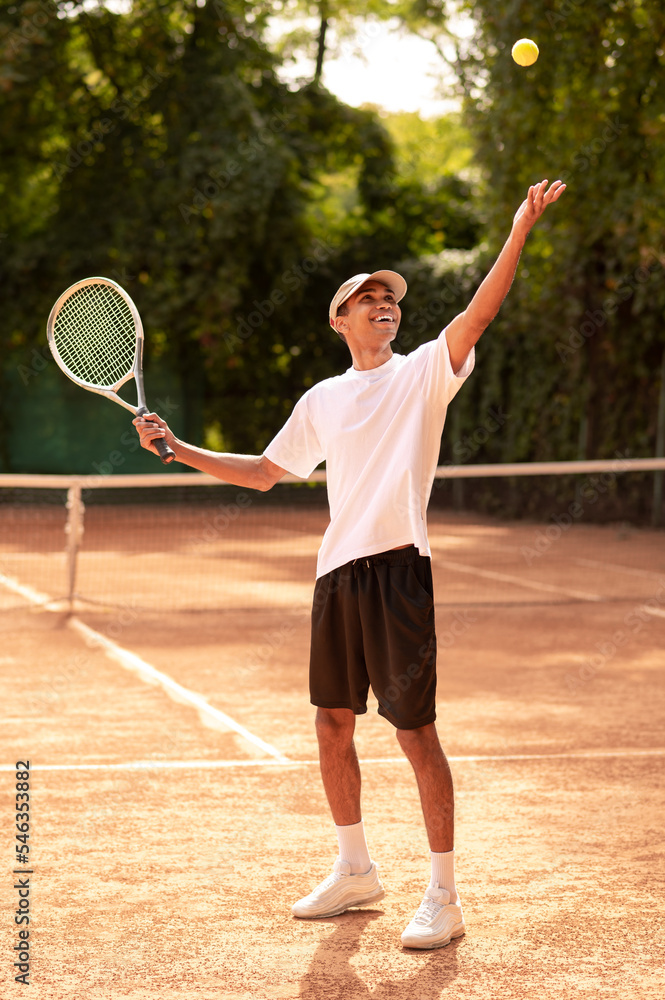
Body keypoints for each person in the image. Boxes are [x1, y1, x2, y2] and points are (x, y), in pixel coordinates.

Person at [134, 178, 565, 949]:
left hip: (399, 568)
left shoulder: (425, 370)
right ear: (339, 319)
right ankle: (354, 869)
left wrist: (518, 228)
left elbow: (480, 311)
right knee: (332, 724)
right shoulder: (323, 398)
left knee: (413, 732)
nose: (382, 303)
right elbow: (267, 471)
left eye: (388, 296)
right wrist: (177, 448)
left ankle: (444, 893)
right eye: (365, 298)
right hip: (336, 576)